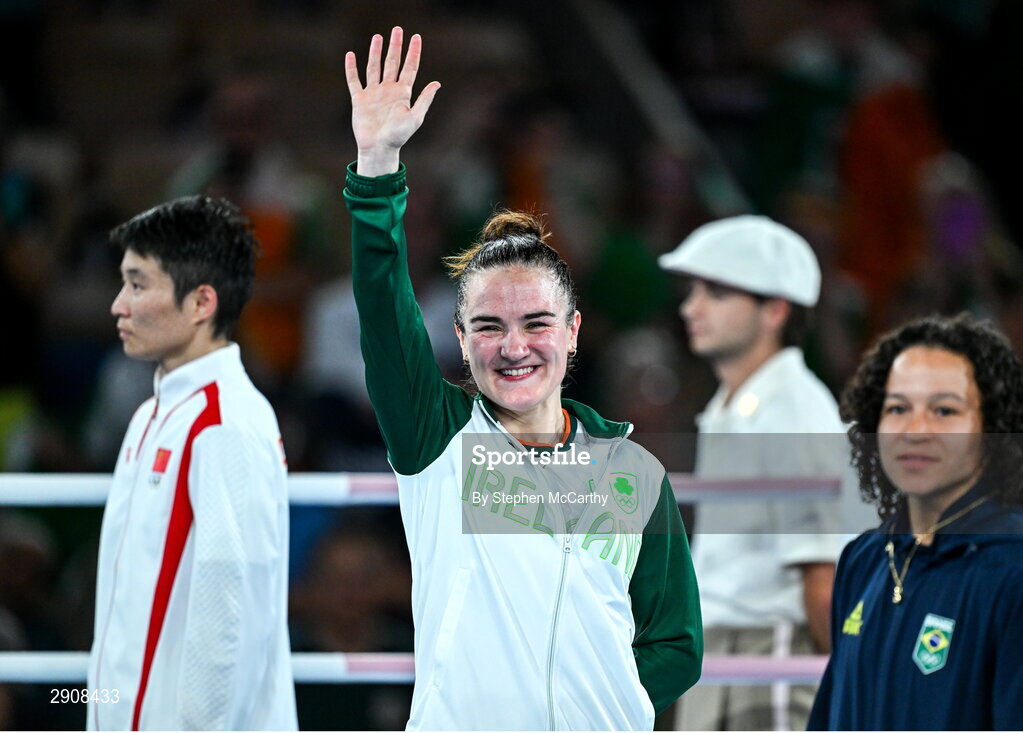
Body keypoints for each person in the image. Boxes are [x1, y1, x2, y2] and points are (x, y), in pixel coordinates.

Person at [343, 27, 702, 730]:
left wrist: (595, 698)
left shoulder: (631, 473)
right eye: (488, 326)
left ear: (572, 334)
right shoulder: (436, 439)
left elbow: (676, 645)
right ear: (459, 339)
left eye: (536, 323)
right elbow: (384, 309)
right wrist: (377, 167)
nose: (513, 347)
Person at [86, 197, 297, 730]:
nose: (119, 305)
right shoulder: (152, 416)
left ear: (202, 302)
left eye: (137, 284)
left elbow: (230, 613)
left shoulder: (224, 422)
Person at [659, 216, 849, 731]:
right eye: (693, 289)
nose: (691, 307)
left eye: (717, 292)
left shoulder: (794, 409)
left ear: (775, 309)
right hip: (722, 647)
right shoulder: (732, 404)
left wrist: (852, 684)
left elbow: (822, 574)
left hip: (774, 646)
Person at [808, 314, 1023, 730]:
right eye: (897, 408)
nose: (915, 430)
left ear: (993, 428)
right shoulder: (863, 558)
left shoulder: (1012, 566)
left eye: (944, 410)